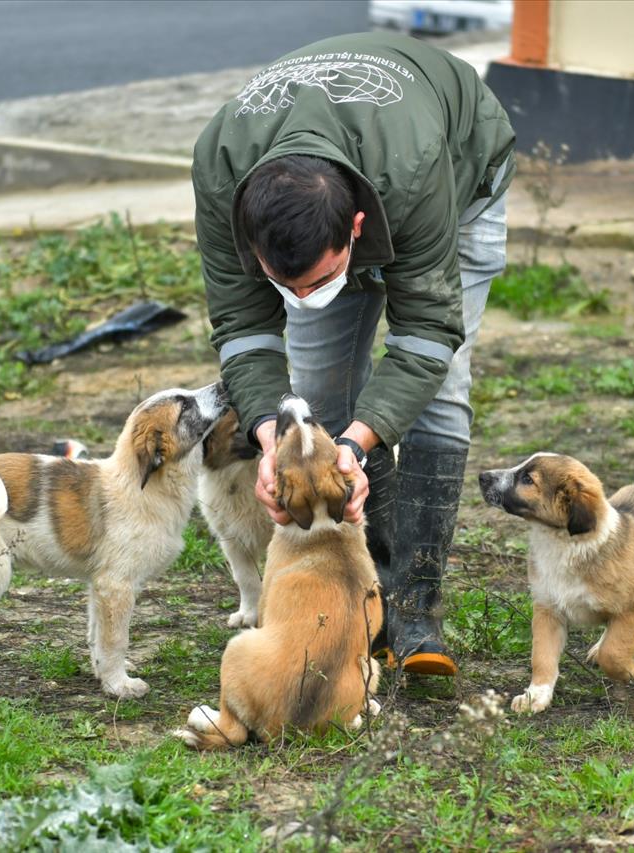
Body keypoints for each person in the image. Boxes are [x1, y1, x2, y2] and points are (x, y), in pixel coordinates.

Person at [195, 32, 515, 677]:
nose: (304, 301)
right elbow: (242, 323)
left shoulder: (417, 166)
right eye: (286, 285)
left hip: (455, 173)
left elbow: (427, 332)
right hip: (337, 169)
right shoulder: (220, 168)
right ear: (247, 237)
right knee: (320, 395)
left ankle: (416, 609)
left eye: (319, 281)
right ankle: (364, 600)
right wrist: (269, 433)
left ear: (357, 231)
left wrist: (362, 444)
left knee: (440, 392)